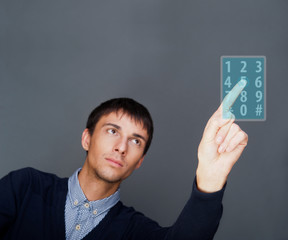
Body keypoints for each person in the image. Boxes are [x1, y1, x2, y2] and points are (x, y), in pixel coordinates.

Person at [0, 86, 248, 239]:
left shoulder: (135, 231)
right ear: (87, 138)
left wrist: (210, 177)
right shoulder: (25, 187)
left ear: (140, 161)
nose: (121, 147)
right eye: (112, 131)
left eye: (136, 141)